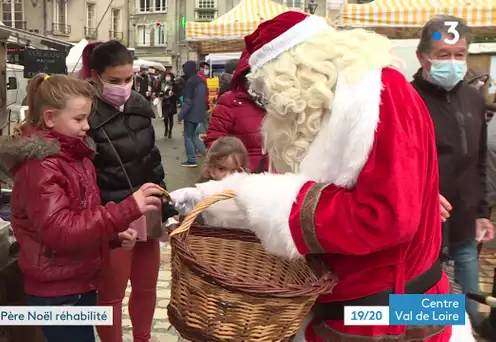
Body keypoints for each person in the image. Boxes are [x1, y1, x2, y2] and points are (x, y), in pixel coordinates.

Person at [174, 11, 474, 341]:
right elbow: (282, 190)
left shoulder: (380, 94)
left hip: (396, 311)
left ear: (293, 70)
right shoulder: (304, 115)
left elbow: (386, 216)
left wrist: (269, 202)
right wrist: (205, 203)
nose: (263, 96)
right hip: (334, 305)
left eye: (264, 82)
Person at [0, 73, 164, 342]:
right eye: (78, 119)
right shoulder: (41, 167)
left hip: (77, 282)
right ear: (50, 118)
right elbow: (60, 231)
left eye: (87, 118)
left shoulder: (73, 156)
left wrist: (111, 237)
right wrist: (126, 210)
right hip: (57, 292)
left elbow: (79, 219)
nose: (86, 126)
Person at [81, 40, 177, 342]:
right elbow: (84, 177)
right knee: (111, 294)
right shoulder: (84, 114)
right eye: (114, 81)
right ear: (95, 76)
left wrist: (168, 210)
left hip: (146, 210)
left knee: (147, 287)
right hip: (112, 215)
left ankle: (143, 338)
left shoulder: (139, 107)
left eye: (128, 79)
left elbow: (153, 163)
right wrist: (102, 219)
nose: (123, 87)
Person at [410, 15, 495, 334]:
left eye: (459, 54)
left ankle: (471, 327)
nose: (453, 62)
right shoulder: (407, 99)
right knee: (424, 311)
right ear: (422, 57)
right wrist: (423, 197)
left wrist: (483, 211)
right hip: (423, 227)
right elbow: (396, 167)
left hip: (464, 227)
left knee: (469, 305)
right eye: (443, 55)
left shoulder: (473, 97)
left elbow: (478, 159)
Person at [205, 50, 268, 172]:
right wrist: (232, 171)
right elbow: (215, 143)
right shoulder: (230, 101)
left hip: (282, 183)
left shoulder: (286, 102)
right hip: (243, 180)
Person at [180, 61, 208, 168]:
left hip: (190, 114)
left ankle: (191, 160)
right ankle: (208, 154)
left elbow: (188, 101)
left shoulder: (190, 82)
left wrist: (181, 115)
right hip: (200, 113)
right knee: (195, 136)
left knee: (188, 136)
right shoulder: (201, 81)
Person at [160, 72, 177, 138]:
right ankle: (166, 129)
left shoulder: (174, 84)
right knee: (165, 117)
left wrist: (171, 95)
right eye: (166, 76)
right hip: (164, 102)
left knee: (170, 117)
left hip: (171, 103)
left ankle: (170, 131)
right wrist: (160, 95)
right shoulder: (163, 83)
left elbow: (176, 93)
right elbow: (160, 91)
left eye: (169, 76)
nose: (167, 77)